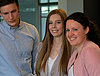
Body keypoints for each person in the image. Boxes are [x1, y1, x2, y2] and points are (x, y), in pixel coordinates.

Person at [0, 0, 39, 76]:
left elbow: (36, 62)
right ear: (0, 14)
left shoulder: (32, 31)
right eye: (6, 13)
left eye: (13, 11)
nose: (11, 17)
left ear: (18, 8)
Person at [34, 9, 71, 76]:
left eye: (58, 22)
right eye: (50, 23)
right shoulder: (41, 46)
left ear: (65, 24)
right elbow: (36, 73)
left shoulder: (72, 48)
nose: (53, 26)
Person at [64, 12, 100, 76]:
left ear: (86, 30)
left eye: (75, 29)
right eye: (67, 30)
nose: (70, 34)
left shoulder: (91, 50)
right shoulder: (75, 53)